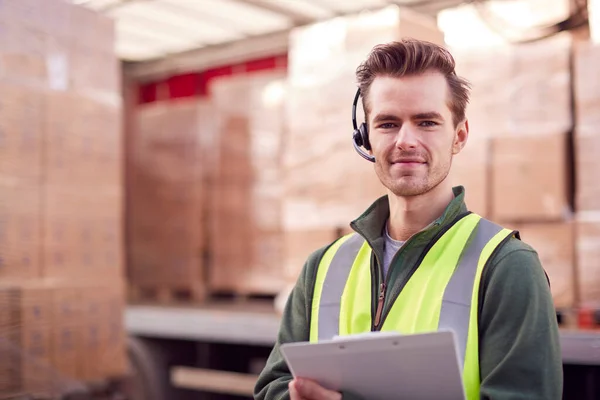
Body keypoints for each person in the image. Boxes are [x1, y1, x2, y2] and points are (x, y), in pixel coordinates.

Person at [254, 38, 562, 400]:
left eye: (427, 122)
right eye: (387, 123)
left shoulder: (505, 266)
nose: (405, 140)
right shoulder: (321, 269)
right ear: (365, 136)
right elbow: (272, 387)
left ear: (459, 135)